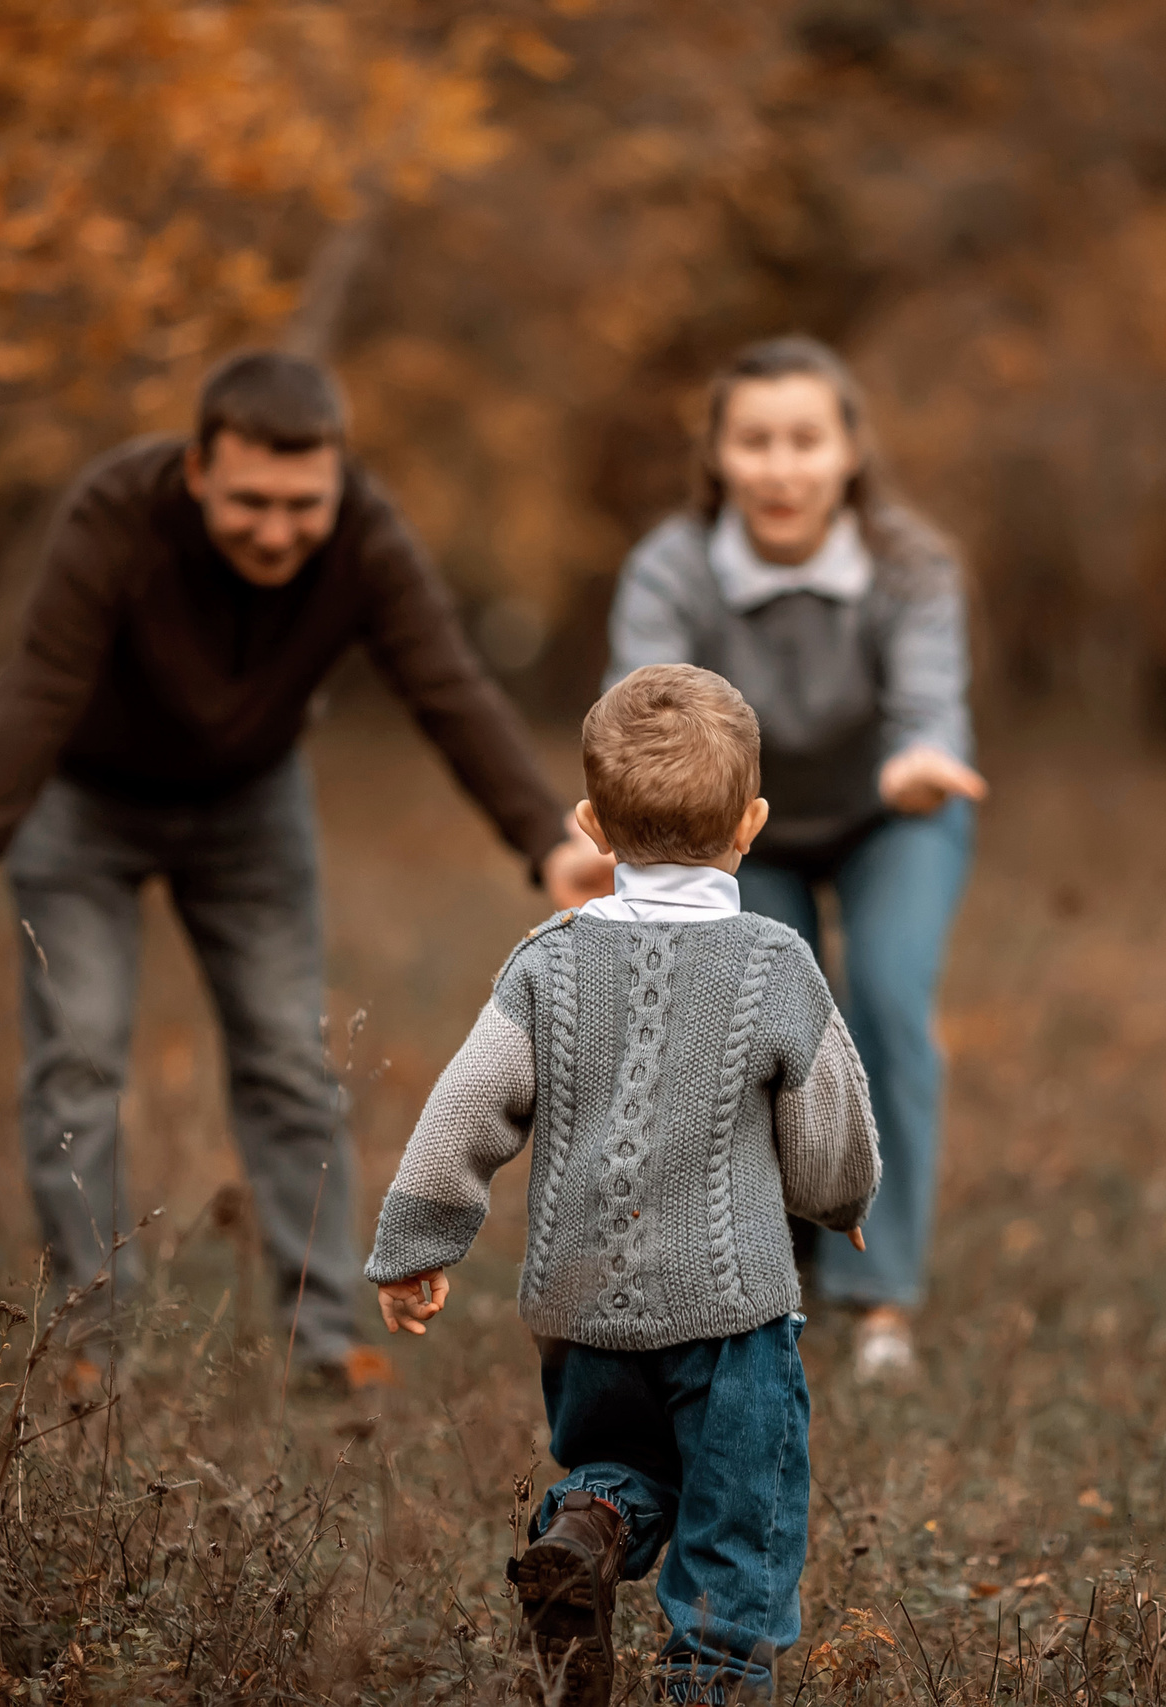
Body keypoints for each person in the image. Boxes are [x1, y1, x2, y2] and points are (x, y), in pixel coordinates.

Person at [0, 350, 611, 1391]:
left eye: (302, 504)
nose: (277, 529)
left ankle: (322, 1344)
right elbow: (37, 684)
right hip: (82, 807)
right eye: (250, 502)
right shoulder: (115, 514)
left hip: (246, 811)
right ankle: (94, 1348)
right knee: (77, 1063)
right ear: (196, 473)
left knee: (287, 1065)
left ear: (338, 480)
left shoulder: (363, 534)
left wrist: (545, 840)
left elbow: (445, 684)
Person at [366, 664, 880, 1707]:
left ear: (592, 825)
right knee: (741, 1517)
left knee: (617, 1465)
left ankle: (585, 1529)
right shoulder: (773, 962)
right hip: (731, 1314)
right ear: (752, 823)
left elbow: (466, 1106)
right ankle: (713, 1681)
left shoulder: (544, 962)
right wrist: (839, 1203)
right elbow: (827, 1113)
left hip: (579, 1305)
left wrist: (416, 1246)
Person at [602, 336, 984, 1383]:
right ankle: (768, 1267)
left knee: (889, 1003)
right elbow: (643, 718)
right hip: (736, 827)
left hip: (893, 813)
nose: (781, 467)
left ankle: (882, 1302)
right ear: (718, 456)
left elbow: (929, 707)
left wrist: (921, 761)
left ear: (849, 451)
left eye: (805, 440)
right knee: (750, 1026)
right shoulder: (672, 569)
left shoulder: (910, 564)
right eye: (755, 442)